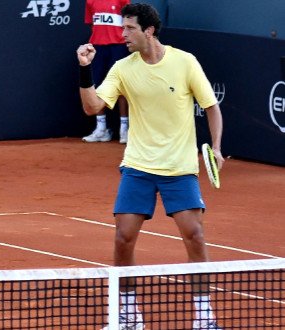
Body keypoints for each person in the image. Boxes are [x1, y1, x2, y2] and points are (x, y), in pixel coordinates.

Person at [77, 3, 224, 330]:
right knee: (123, 237)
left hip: (179, 168)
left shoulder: (185, 62)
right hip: (138, 166)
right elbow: (92, 107)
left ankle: (204, 317)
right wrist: (85, 69)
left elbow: (211, 107)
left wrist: (215, 148)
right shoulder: (122, 68)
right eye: (123, 27)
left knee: (194, 235)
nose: (122, 34)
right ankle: (128, 317)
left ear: (149, 31)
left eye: (129, 28)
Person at [82, 0, 130, 144]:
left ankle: (124, 129)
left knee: (121, 87)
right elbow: (92, 24)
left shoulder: (123, 0)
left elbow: (129, 24)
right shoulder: (90, 1)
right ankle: (101, 129)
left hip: (118, 47)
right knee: (96, 86)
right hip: (98, 47)